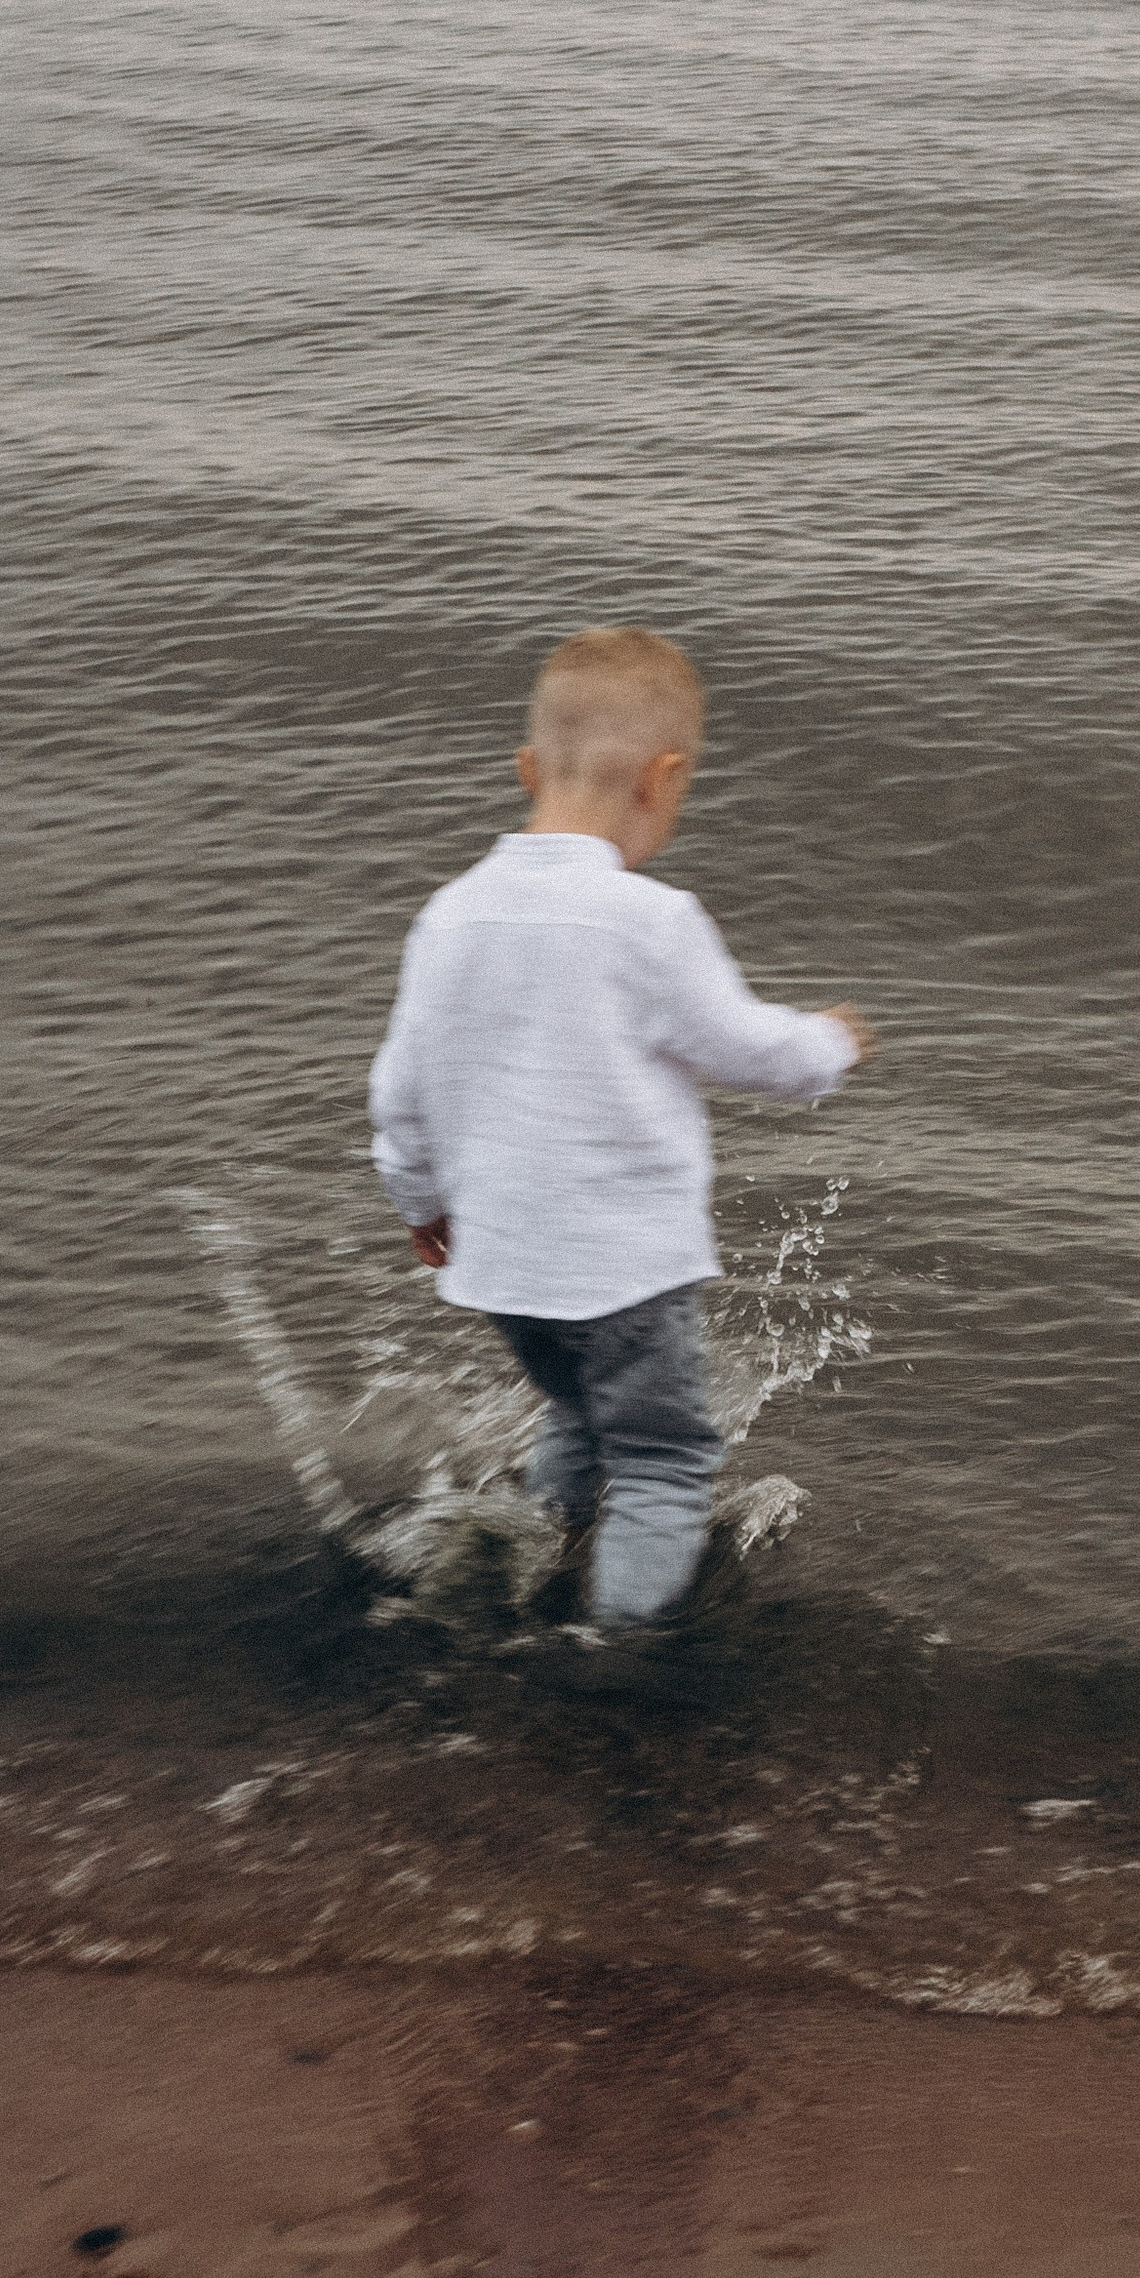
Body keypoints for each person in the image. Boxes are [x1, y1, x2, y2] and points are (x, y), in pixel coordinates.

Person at [368, 627, 873, 1669]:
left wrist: (421, 1207)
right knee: (663, 1456)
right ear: (664, 777)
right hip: (624, 1271)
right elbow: (745, 1049)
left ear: (525, 771)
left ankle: (494, 1584)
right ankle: (615, 1653)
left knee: (575, 1413)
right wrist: (824, 1045)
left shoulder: (449, 918)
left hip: (500, 1267)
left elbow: (399, 1092)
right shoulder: (649, 920)